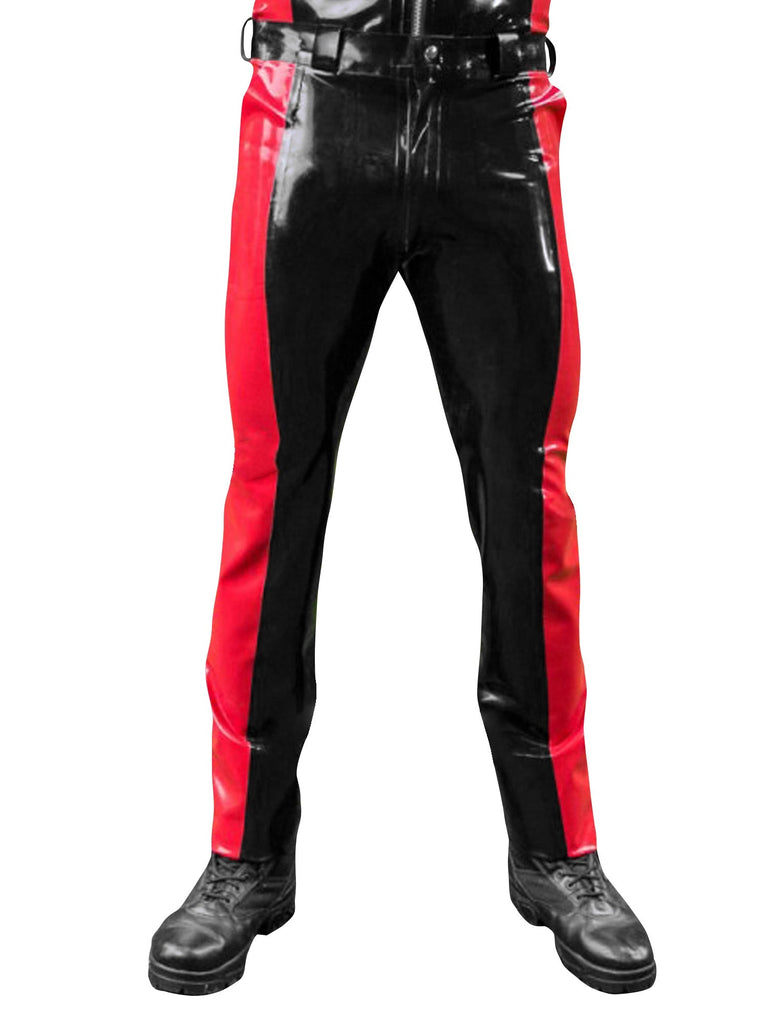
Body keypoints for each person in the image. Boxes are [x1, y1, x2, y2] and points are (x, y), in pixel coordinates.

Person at [148, 0, 655, 995]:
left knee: (528, 494)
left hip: (495, 114)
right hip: (312, 107)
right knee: (272, 491)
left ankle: (556, 848)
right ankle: (245, 851)